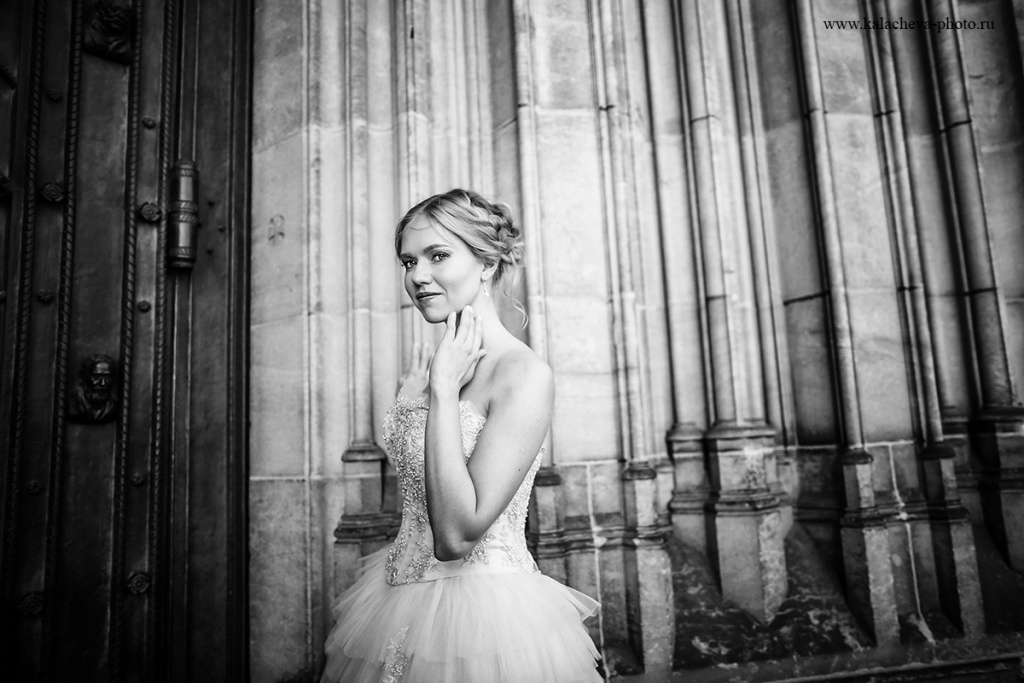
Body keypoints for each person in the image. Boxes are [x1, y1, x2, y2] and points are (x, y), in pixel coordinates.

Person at [321, 189, 602, 682]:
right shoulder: (430, 371)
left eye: (438, 255)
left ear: (487, 263)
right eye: (409, 261)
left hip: (487, 622)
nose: (417, 276)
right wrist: (430, 388)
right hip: (396, 607)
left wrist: (444, 391)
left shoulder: (523, 374)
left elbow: (455, 537)